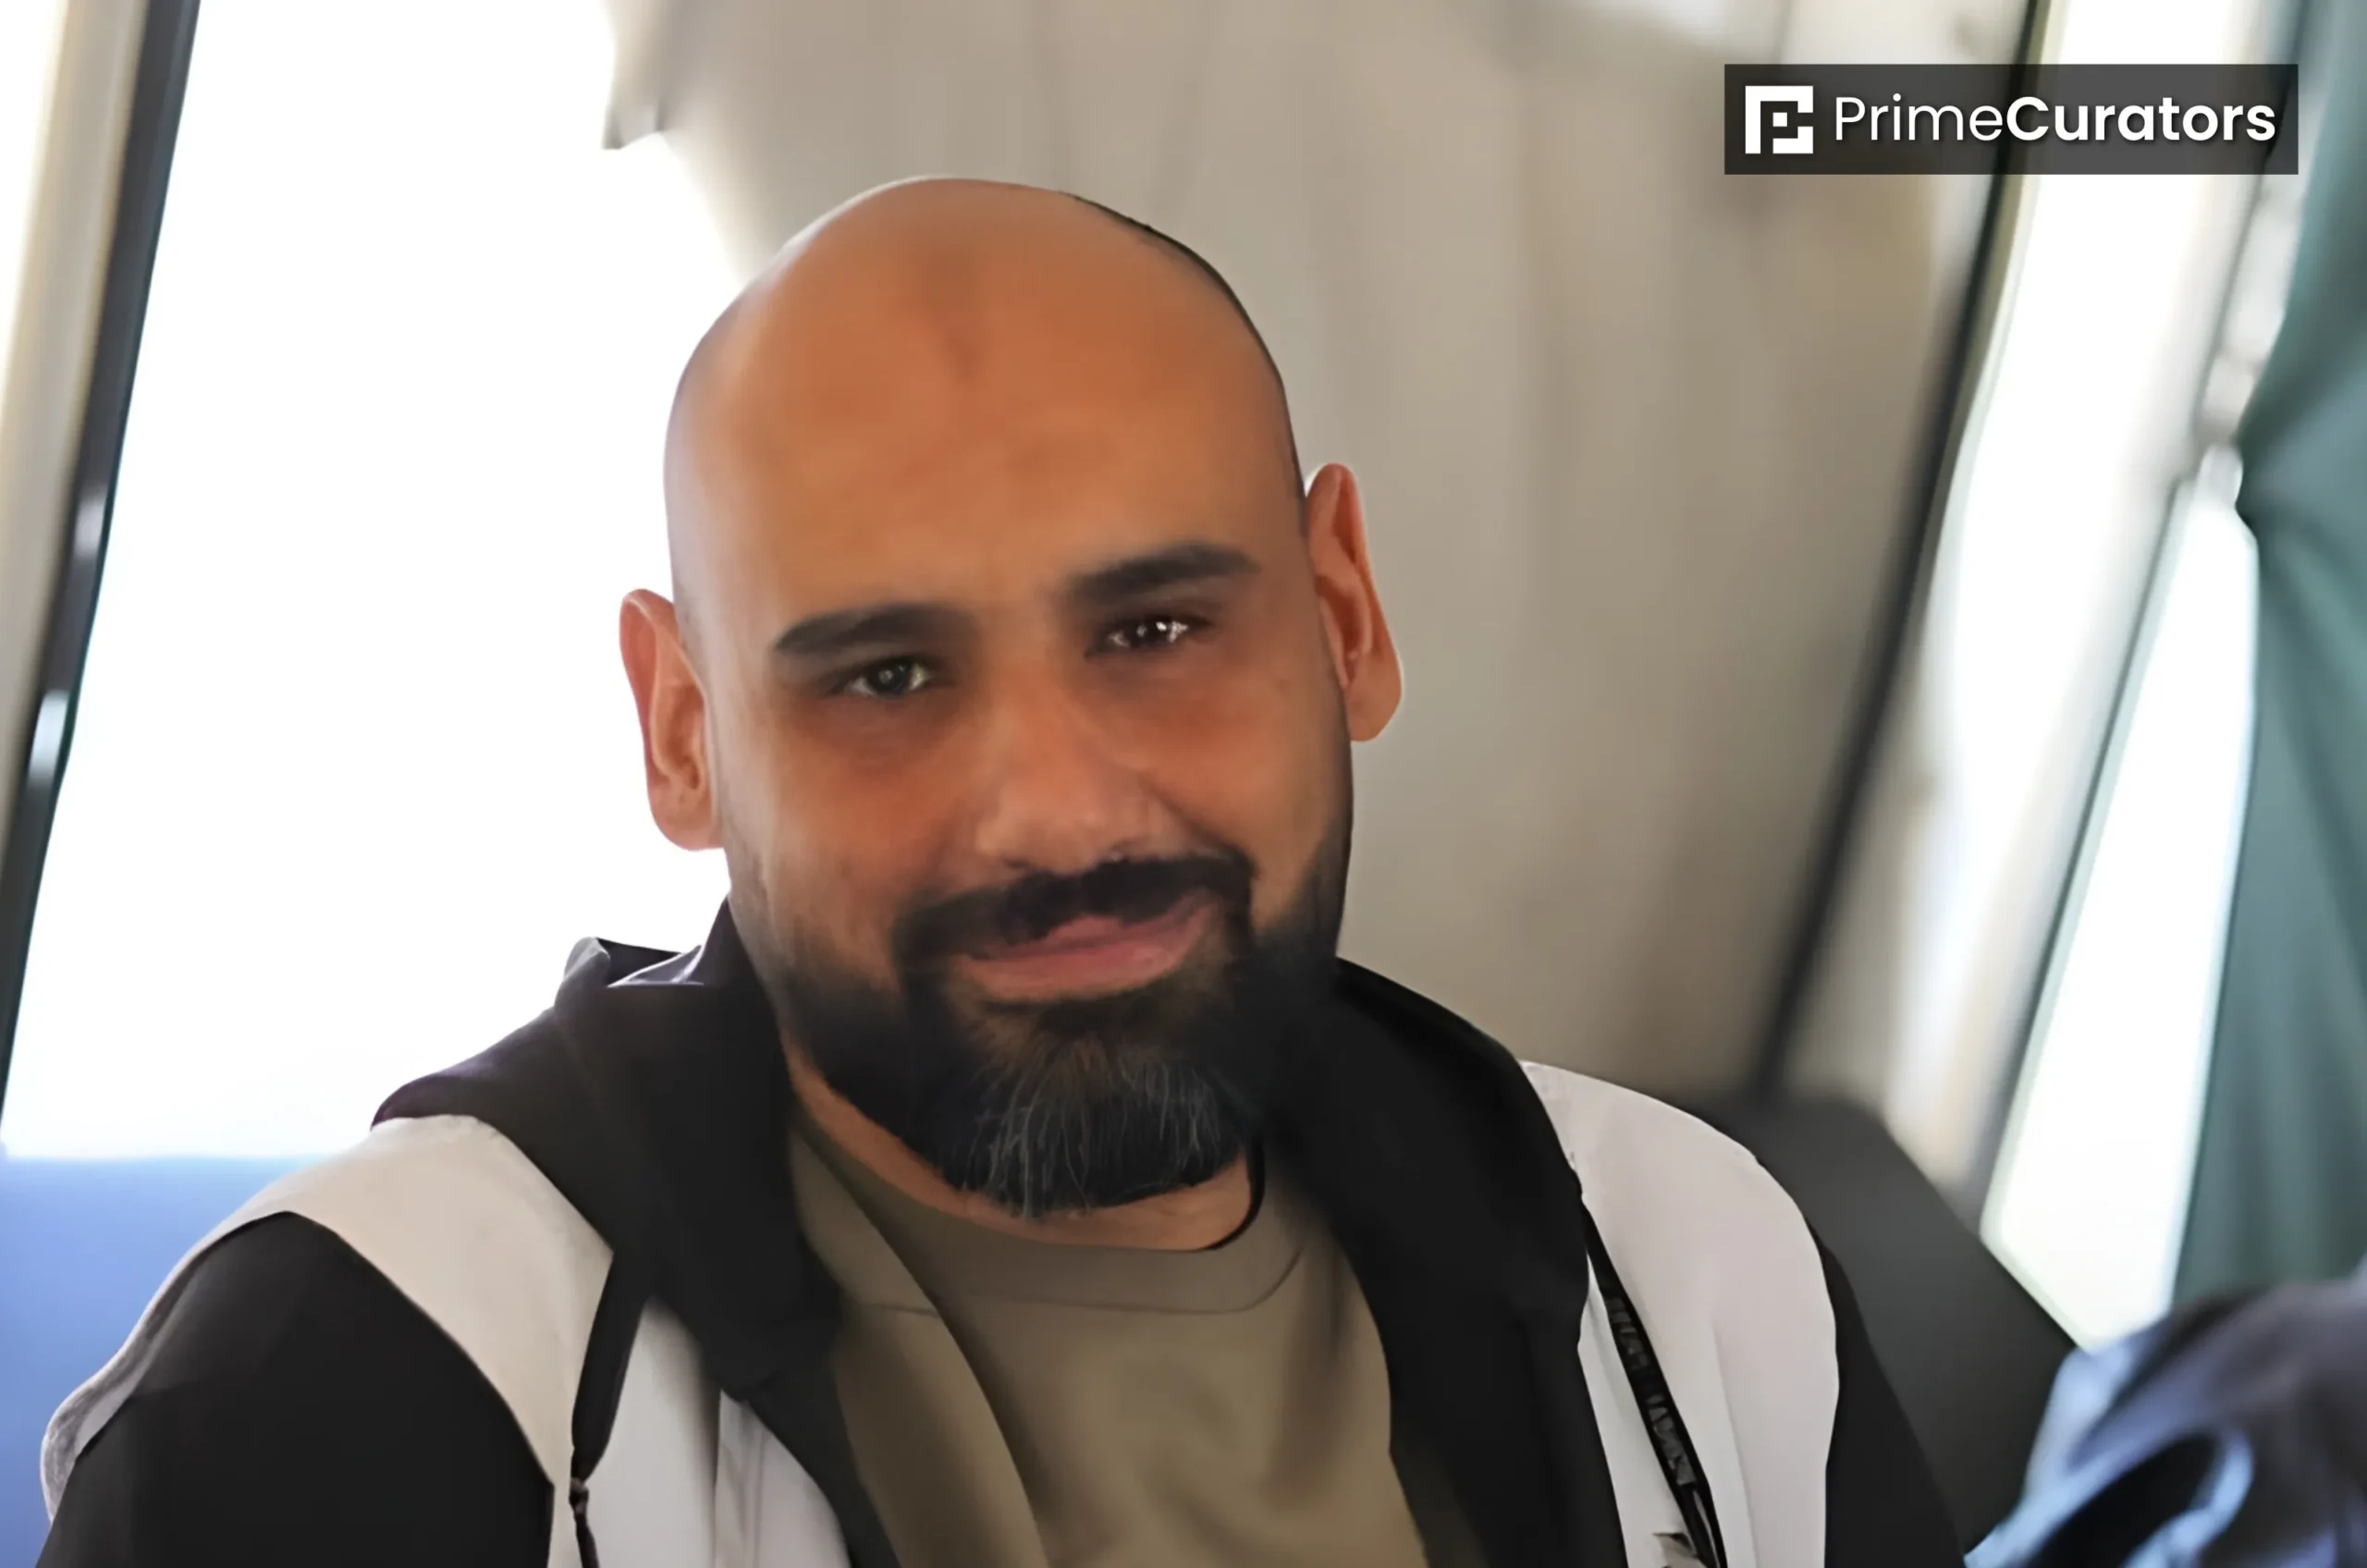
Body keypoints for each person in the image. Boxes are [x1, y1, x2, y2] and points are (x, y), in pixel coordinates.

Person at [36, 178, 1956, 1568]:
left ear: (1344, 617)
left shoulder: (1695, 1282)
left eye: (1155, 631)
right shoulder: (365, 1388)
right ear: (685, 734)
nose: (1051, 811)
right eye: (886, 676)